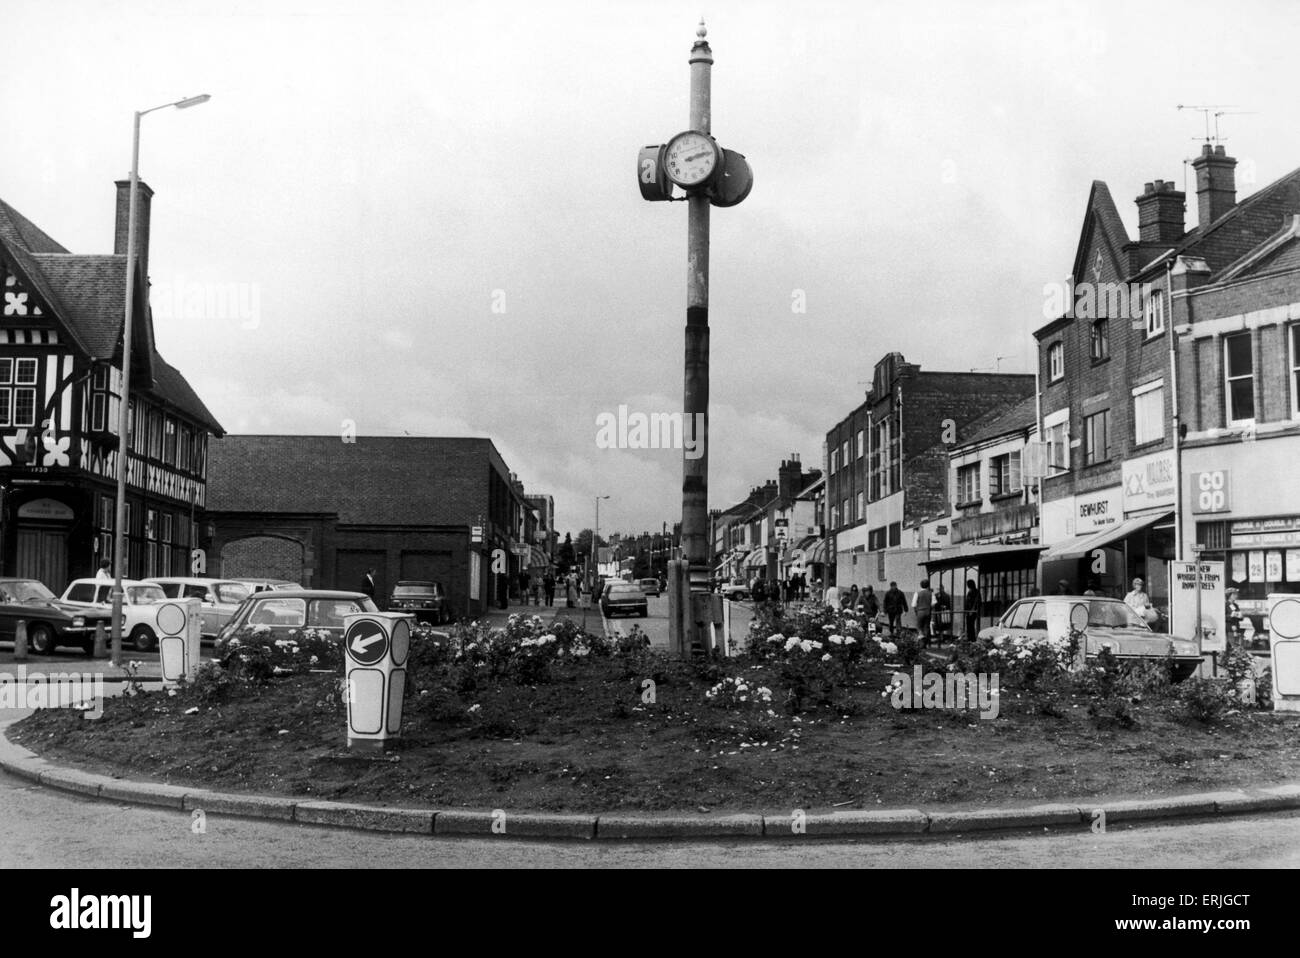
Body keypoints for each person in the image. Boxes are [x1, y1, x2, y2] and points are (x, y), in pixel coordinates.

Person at [914, 578, 934, 647]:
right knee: (926, 627)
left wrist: (916, 612)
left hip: (920, 611)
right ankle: (925, 643)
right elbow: (933, 603)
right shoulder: (930, 593)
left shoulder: (918, 593)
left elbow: (913, 604)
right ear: (928, 585)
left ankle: (921, 641)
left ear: (921, 585)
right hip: (928, 611)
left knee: (919, 627)